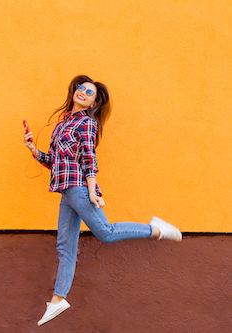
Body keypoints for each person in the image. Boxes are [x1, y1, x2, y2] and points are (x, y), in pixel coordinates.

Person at [23, 75, 182, 326]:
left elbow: (89, 158)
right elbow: (54, 162)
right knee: (65, 246)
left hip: (79, 188)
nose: (84, 93)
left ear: (92, 104)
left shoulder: (86, 123)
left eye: (90, 93)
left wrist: (93, 189)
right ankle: (58, 299)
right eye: (82, 88)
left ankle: (157, 229)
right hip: (66, 190)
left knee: (106, 233)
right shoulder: (63, 124)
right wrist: (33, 150)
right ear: (75, 91)